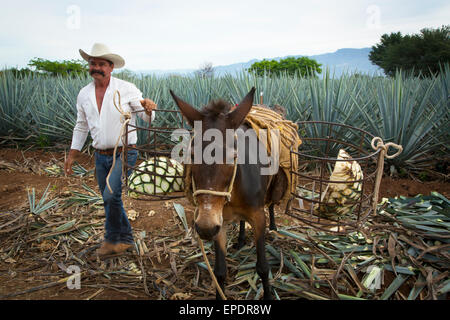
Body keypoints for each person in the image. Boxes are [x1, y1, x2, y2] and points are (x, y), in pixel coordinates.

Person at [64, 43, 157, 256]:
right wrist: (72, 155)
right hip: (100, 155)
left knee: (111, 196)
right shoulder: (84, 94)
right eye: (93, 63)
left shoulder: (126, 88)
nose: (96, 67)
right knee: (109, 198)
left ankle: (115, 240)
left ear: (111, 67)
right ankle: (122, 239)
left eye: (101, 64)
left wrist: (149, 107)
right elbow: (81, 125)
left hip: (125, 152)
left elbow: (145, 116)